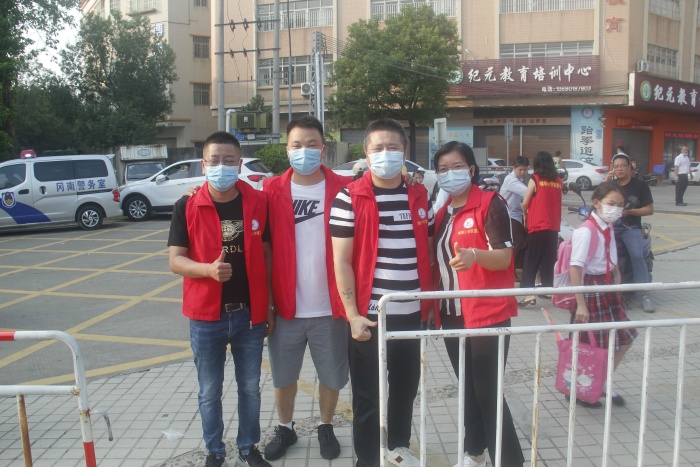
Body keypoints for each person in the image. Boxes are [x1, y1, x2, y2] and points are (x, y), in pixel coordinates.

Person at [330, 118, 434, 467]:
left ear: (405, 151)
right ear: (366, 152)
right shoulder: (349, 197)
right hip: (370, 318)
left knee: (405, 389)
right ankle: (368, 459)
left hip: (411, 315)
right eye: (378, 148)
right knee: (367, 396)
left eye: (393, 147)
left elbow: (427, 250)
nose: (385, 153)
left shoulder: (419, 195)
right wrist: (353, 315)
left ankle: (399, 447)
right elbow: (341, 261)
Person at [167, 131, 273, 467]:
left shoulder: (258, 202)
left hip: (249, 315)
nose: (221, 167)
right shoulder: (187, 205)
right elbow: (175, 261)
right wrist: (207, 270)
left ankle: (248, 447)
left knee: (250, 387)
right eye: (214, 160)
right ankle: (214, 451)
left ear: (239, 164)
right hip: (206, 317)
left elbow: (267, 255)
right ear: (203, 164)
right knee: (209, 391)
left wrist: (269, 306)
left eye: (229, 161)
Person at [262, 116, 350, 461]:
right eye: (297, 145)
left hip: (332, 306)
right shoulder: (270, 191)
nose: (304, 151)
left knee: (332, 375)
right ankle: (285, 427)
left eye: (312, 144)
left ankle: (326, 425)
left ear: (323, 150)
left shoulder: (345, 188)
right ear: (287, 150)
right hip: (286, 307)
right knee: (284, 376)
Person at [432, 141, 525, 467]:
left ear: (471, 169)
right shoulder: (443, 213)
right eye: (443, 169)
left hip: (487, 315)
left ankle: (510, 461)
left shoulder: (490, 203)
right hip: (452, 315)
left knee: (488, 392)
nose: (450, 173)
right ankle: (474, 454)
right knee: (469, 390)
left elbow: (505, 258)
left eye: (457, 166)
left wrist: (475, 255)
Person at [569, 181, 637, 408]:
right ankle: (580, 390)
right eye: (611, 203)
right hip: (590, 289)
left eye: (620, 205)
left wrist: (616, 280)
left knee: (624, 337)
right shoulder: (585, 231)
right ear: (597, 203)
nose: (616, 209)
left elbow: (612, 259)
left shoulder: (607, 227)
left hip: (607, 287)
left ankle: (603, 381)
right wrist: (580, 304)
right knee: (590, 345)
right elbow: (575, 268)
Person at [606, 153, 656, 313]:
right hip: (612, 228)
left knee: (637, 255)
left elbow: (649, 210)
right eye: (616, 166)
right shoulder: (611, 185)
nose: (619, 169)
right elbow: (598, 205)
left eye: (623, 165)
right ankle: (608, 294)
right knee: (602, 256)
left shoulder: (640, 185)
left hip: (631, 228)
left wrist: (630, 211)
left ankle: (645, 295)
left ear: (630, 167)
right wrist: (605, 184)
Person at [519, 151, 562, 307]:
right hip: (553, 226)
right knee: (548, 259)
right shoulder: (558, 181)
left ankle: (528, 294)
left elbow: (525, 203)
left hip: (537, 225)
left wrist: (525, 215)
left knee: (531, 260)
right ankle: (547, 289)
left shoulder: (535, 179)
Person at [500, 156, 529, 272]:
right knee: (518, 242)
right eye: (520, 169)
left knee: (524, 241)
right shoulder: (511, 180)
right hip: (509, 215)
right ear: (514, 168)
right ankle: (512, 270)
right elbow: (527, 192)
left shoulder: (519, 180)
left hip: (517, 214)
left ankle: (518, 268)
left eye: (525, 170)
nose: (522, 172)